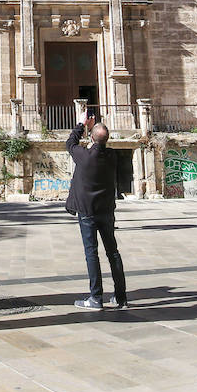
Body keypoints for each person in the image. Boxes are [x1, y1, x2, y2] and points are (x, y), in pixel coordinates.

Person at [66, 115, 127, 309]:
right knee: (113, 252)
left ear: (92, 138)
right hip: (107, 211)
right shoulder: (112, 156)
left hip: (87, 212)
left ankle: (95, 297)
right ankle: (120, 297)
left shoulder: (84, 156)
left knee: (91, 253)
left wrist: (82, 125)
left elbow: (70, 142)